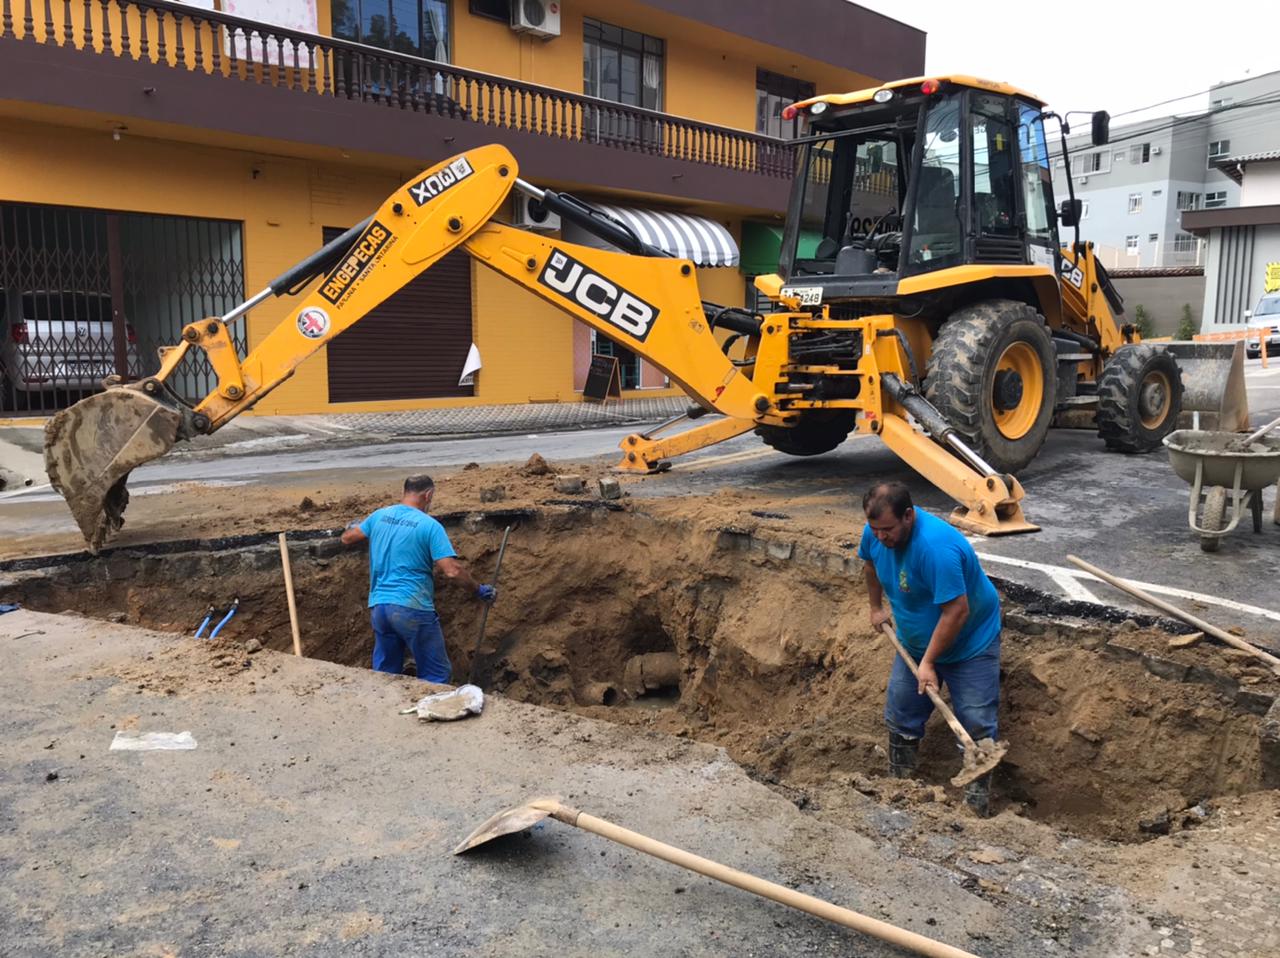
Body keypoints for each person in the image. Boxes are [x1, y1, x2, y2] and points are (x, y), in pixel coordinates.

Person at [857, 480, 1002, 815]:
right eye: (874, 529)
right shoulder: (876, 533)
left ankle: (976, 807)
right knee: (902, 710)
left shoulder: (937, 548)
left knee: (977, 721)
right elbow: (870, 565)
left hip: (971, 641)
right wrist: (875, 607)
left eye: (888, 529)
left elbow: (957, 611)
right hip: (915, 639)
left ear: (908, 515)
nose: (881, 537)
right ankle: (899, 786)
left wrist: (929, 662)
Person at [341, 474, 494, 683]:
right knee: (436, 674)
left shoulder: (380, 516)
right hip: (412, 607)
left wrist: (353, 526)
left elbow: (347, 537)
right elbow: (452, 571)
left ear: (405, 492)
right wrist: (478, 590)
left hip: (380, 608)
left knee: (385, 675)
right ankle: (430, 712)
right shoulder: (429, 526)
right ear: (428, 494)